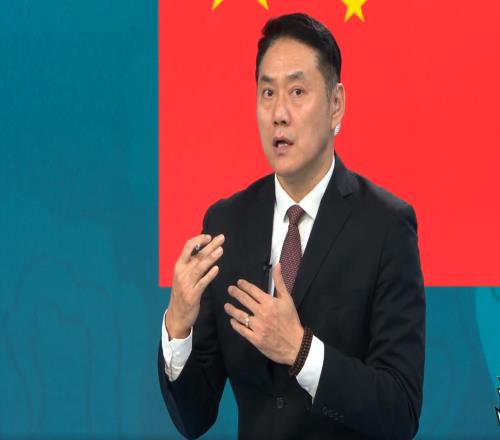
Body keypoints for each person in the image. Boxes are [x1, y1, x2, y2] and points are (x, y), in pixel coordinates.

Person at [158, 13, 425, 440]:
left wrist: (301, 352)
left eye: (297, 92)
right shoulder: (227, 224)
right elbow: (194, 417)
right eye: (267, 93)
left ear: (336, 104)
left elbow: (400, 411)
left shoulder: (387, 227)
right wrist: (178, 326)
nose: (279, 114)